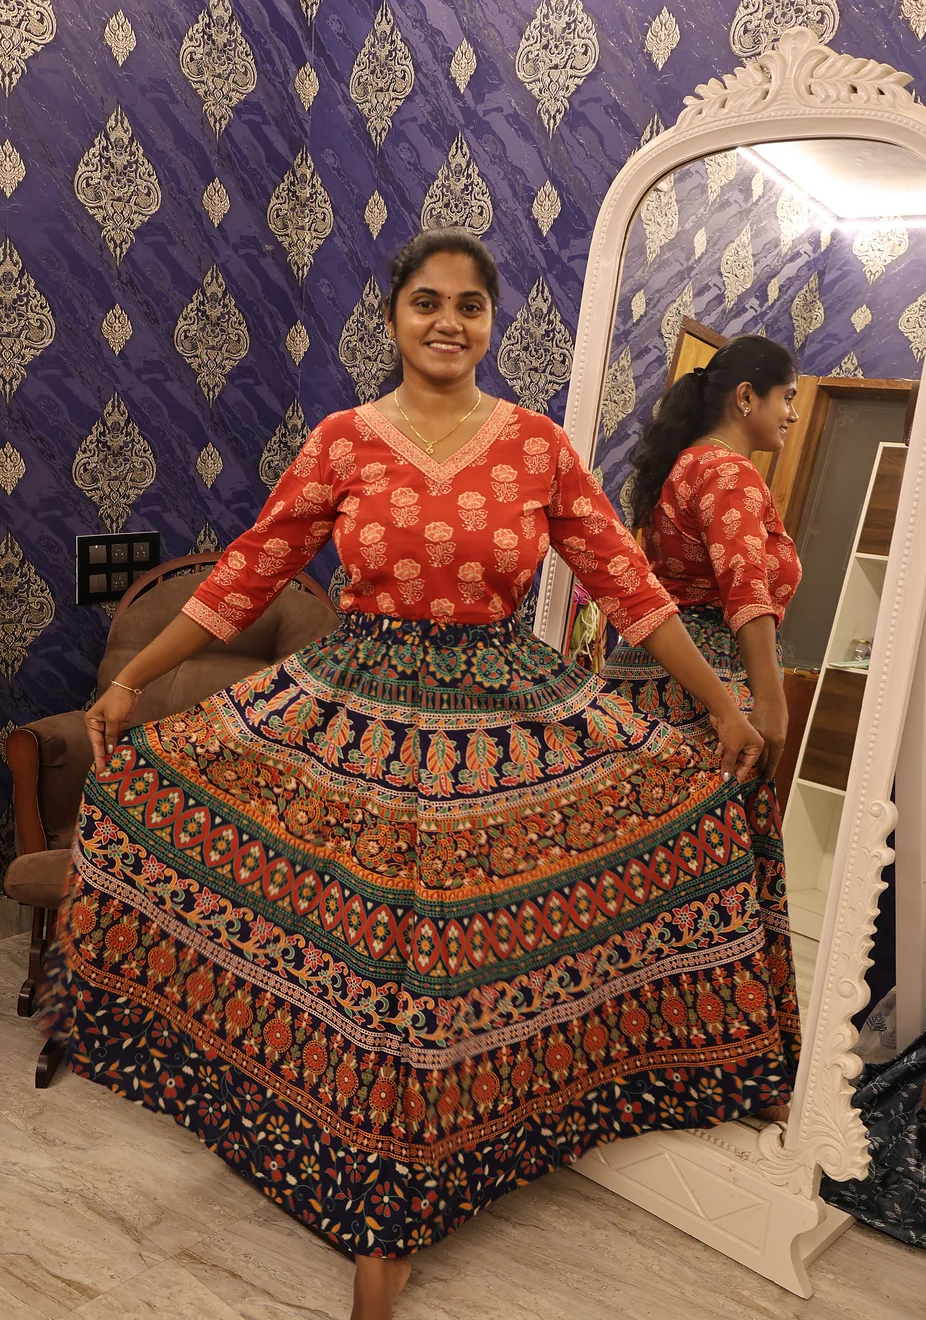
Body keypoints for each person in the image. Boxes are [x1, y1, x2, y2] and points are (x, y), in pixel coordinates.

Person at [48, 233, 796, 1320]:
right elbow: (248, 571)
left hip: (498, 720)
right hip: (351, 712)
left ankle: (421, 1183)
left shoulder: (538, 446)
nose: (448, 321)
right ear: (394, 316)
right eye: (427, 302)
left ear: (491, 323)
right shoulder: (343, 440)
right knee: (360, 955)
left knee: (455, 966)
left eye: (469, 305)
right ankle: (348, 1168)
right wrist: (132, 680)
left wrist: (727, 704)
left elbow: (628, 589)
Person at [604, 334, 804, 1120]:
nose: (792, 414)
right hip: (705, 686)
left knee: (654, 878)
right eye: (787, 398)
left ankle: (636, 1052)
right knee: (712, 883)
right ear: (746, 397)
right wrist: (769, 699)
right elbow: (746, 587)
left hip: (648, 678)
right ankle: (720, 1071)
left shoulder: (682, 466)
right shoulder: (726, 472)